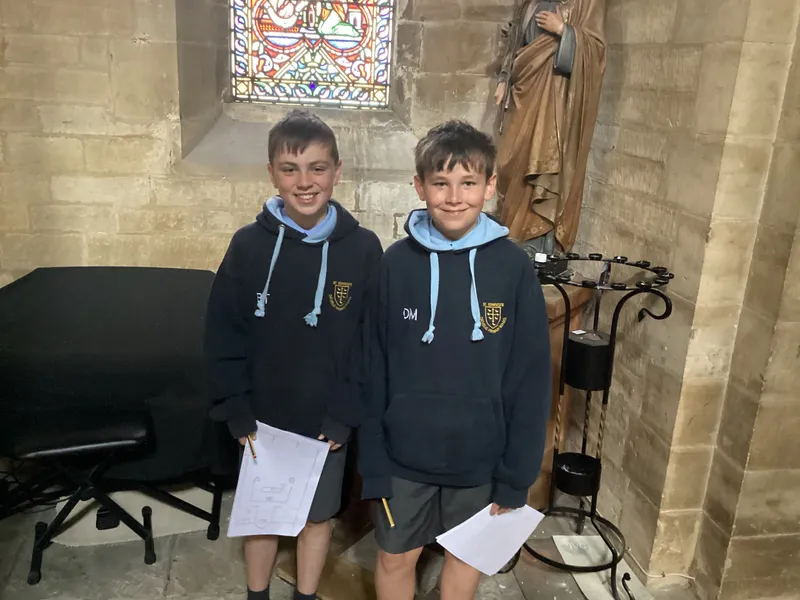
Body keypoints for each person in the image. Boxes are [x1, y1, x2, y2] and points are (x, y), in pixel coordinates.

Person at [359, 120, 552, 600]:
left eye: (468, 183)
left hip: (480, 457)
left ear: (490, 186)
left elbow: (530, 380)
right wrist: (373, 458)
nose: (453, 197)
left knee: (465, 562)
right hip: (403, 457)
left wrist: (517, 476)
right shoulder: (395, 263)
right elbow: (373, 367)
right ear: (419, 186)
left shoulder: (512, 268)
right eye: (440, 183)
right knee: (394, 558)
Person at [204, 109, 383, 600]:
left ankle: (306, 595)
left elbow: (369, 343)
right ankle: (256, 594)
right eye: (290, 169)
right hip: (261, 420)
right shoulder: (248, 246)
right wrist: (236, 410)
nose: (305, 182)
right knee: (263, 518)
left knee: (316, 518)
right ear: (272, 174)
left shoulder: (363, 250)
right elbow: (223, 333)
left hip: (326, 422)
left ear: (336, 171)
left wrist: (345, 415)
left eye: (317, 168)